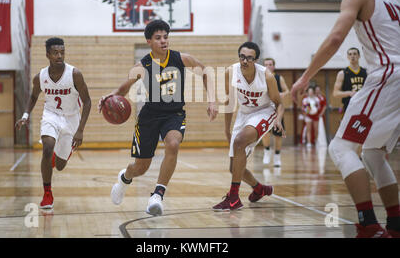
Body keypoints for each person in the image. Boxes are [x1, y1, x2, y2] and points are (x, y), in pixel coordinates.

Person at [291, 0, 399, 238]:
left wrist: (304, 79)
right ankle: (395, 225)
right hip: (396, 78)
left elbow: (336, 37)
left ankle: (368, 224)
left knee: (340, 148)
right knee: (374, 152)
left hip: (388, 75)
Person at [100, 20, 218, 216]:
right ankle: (124, 178)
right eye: (158, 38)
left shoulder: (181, 58)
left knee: (173, 144)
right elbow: (123, 88)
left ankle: (157, 195)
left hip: (174, 114)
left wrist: (212, 101)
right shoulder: (143, 65)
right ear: (149, 41)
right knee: (141, 167)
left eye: (165, 37)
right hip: (149, 116)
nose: (163, 41)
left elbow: (205, 71)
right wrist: (109, 96)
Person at [15, 37, 92, 209]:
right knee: (47, 147)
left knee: (60, 166)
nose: (60, 56)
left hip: (71, 118)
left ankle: (60, 154)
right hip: (51, 115)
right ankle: (47, 194)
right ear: (48, 54)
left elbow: (87, 102)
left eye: (62, 52)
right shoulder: (40, 76)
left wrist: (80, 130)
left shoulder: (75, 74)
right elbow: (34, 96)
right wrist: (25, 116)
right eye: (56, 53)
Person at [212, 42, 284, 211]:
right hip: (244, 114)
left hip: (265, 112)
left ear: (256, 59)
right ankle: (260, 189)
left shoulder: (266, 76)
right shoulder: (231, 71)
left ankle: (233, 198)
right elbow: (229, 102)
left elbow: (279, 104)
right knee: (234, 167)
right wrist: (226, 129)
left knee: (240, 142)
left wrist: (278, 120)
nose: (245, 61)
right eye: (242, 57)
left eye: (249, 58)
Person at [261, 58, 290, 167]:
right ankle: (267, 151)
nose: (268, 66)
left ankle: (277, 157)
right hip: (265, 108)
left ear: (274, 66)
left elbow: (287, 91)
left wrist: (282, 94)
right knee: (265, 133)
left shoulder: (278, 78)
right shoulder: (260, 77)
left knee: (278, 134)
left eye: (270, 64)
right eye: (266, 64)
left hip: (277, 108)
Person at [333, 47, 367, 114]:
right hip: (349, 106)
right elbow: (335, 93)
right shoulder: (342, 73)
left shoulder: (366, 72)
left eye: (354, 54)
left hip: (364, 105)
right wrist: (349, 93)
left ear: (359, 56)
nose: (352, 56)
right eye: (350, 54)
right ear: (348, 57)